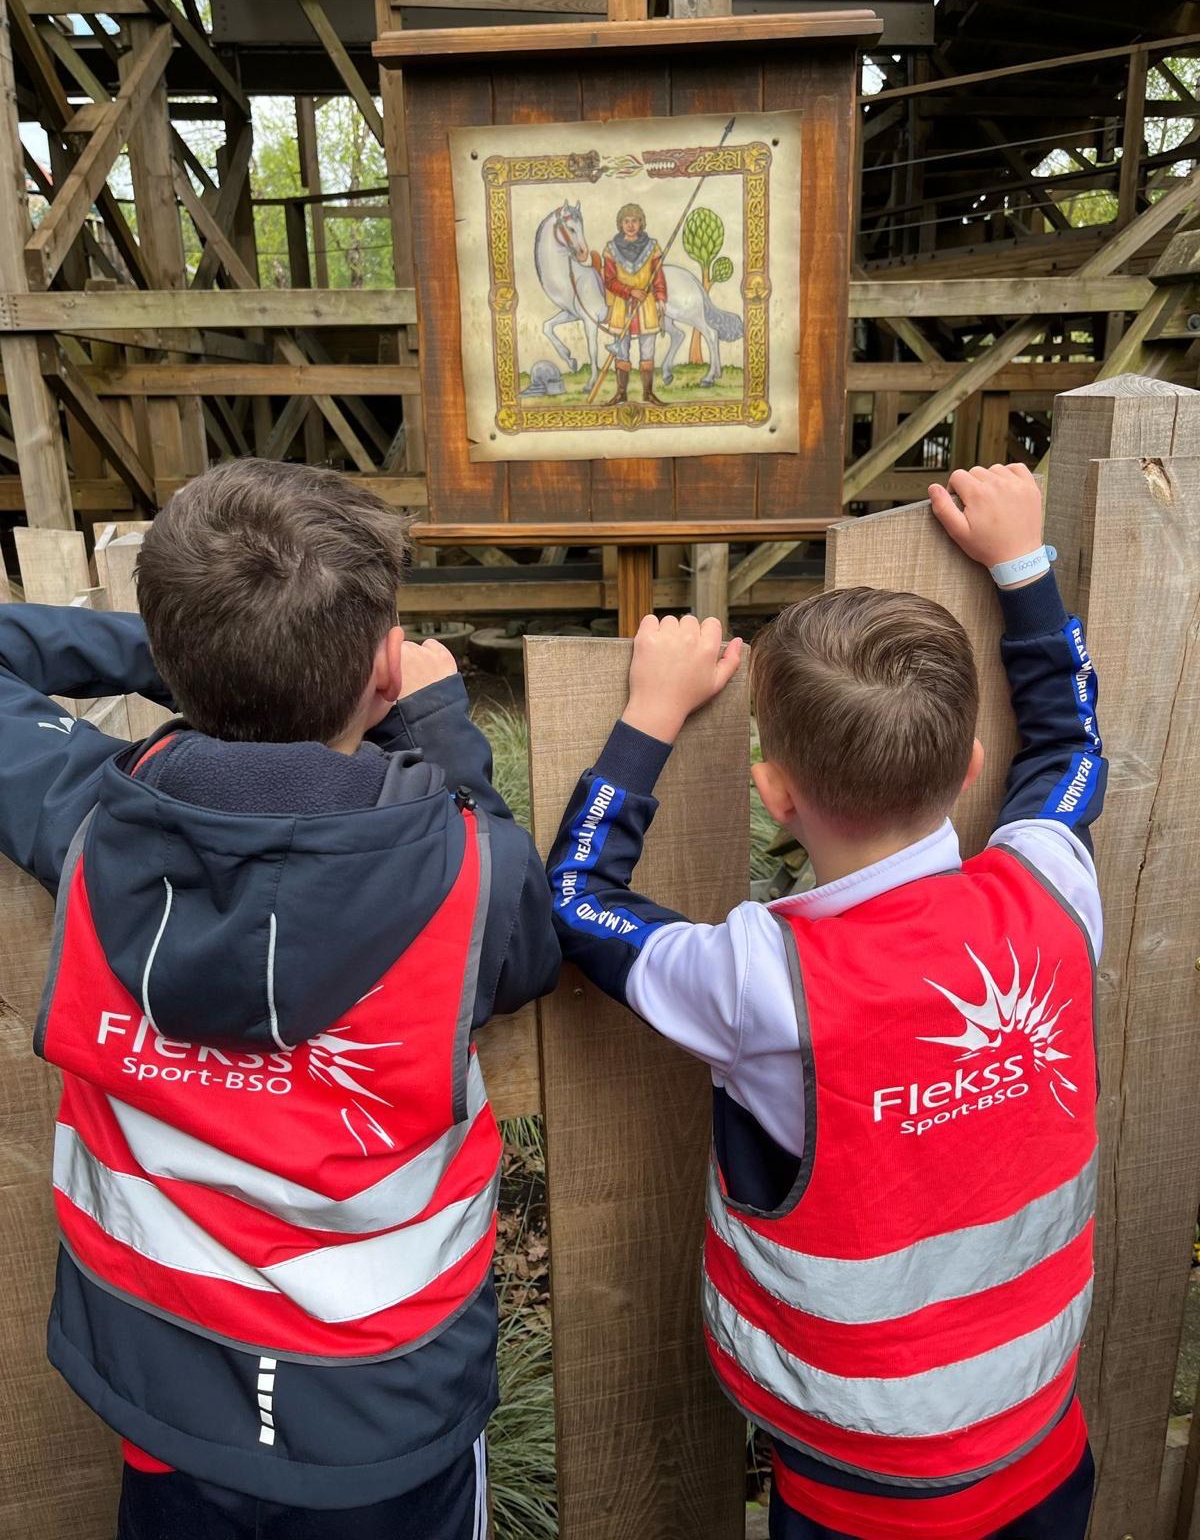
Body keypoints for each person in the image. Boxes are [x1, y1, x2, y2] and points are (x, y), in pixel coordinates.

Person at [1, 459, 560, 1539]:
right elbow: (529, 935)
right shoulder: (470, 874)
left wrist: (197, 658)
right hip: (386, 1404)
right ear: (385, 671)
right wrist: (438, 727)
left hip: (165, 1378)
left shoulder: (89, 828)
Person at [546, 462, 1104, 1540]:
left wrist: (650, 717)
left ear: (775, 793)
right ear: (971, 763)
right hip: (1041, 1443)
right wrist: (1024, 570)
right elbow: (1071, 748)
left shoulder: (763, 981)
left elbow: (576, 900)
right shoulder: (1052, 887)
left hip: (857, 1484)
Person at [603, 202, 668, 406]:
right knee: (621, 350)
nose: (630, 225)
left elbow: (658, 276)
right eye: (626, 221)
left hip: (646, 305)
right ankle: (621, 393)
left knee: (647, 349)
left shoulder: (652, 247)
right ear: (620, 224)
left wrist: (661, 298)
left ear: (641, 223)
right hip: (622, 305)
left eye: (634, 221)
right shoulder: (611, 249)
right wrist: (630, 291)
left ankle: (648, 393)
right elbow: (609, 281)